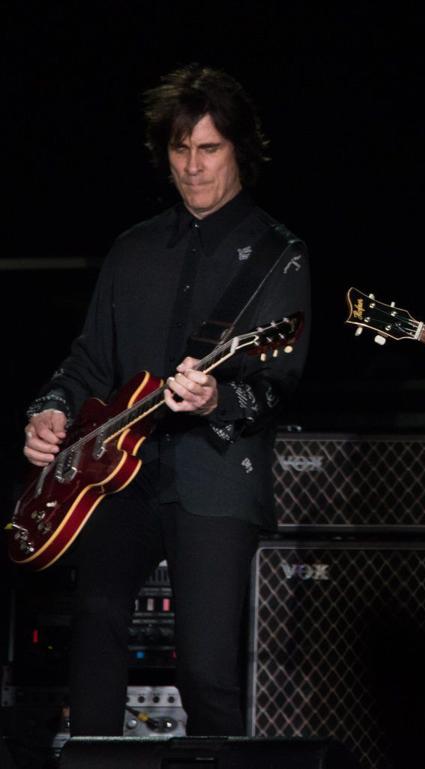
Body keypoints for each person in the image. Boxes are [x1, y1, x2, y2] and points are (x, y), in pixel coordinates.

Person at [20, 64, 310, 736]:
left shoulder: (278, 255)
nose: (193, 166)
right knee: (94, 631)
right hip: (116, 478)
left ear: (239, 150)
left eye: (209, 149)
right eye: (180, 150)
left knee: (207, 668)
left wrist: (216, 397)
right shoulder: (133, 248)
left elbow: (277, 384)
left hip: (214, 478)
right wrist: (52, 406)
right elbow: (89, 360)